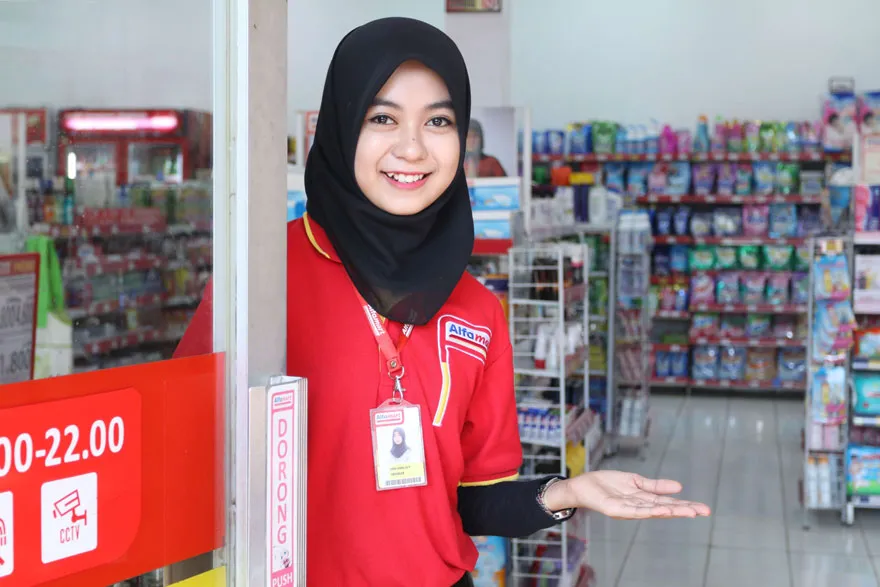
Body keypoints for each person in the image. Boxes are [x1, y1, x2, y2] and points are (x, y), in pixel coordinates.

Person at [173, 17, 710, 587]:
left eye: (438, 121)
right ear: (340, 126)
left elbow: (473, 499)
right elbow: (183, 458)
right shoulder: (262, 280)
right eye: (382, 118)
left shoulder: (477, 310)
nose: (412, 148)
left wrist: (567, 493)